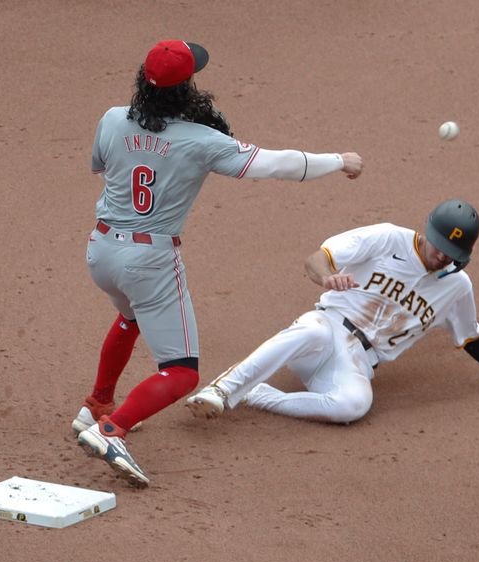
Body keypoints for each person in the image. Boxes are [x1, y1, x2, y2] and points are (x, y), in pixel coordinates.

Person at [74, 39, 364, 488]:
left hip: (101, 251)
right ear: (187, 86)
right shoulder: (203, 141)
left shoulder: (112, 119)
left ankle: (97, 404)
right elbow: (277, 165)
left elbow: (105, 165)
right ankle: (111, 431)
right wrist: (338, 160)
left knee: (130, 315)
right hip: (148, 261)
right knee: (181, 371)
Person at [186, 199, 479, 424]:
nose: (442, 255)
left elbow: (471, 337)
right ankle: (224, 388)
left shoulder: (456, 287)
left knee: (355, 406)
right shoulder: (386, 238)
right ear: (427, 231)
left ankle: (258, 394)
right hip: (328, 328)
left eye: (452, 253)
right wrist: (327, 278)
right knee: (311, 330)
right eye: (438, 245)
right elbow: (317, 258)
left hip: (357, 363)